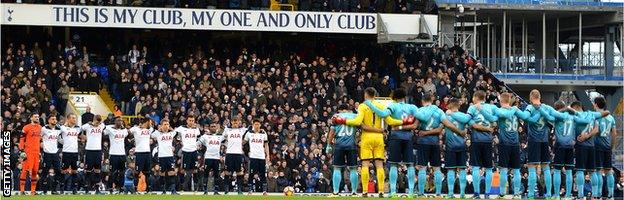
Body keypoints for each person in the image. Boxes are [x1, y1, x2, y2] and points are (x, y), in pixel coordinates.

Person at [333, 87, 409, 198]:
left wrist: (343, 120)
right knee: (379, 165)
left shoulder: (363, 106)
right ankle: (382, 191)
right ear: (375, 95)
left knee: (365, 164)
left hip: (366, 137)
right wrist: (403, 121)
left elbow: (357, 121)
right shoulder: (381, 106)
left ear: (365, 94)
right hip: (378, 138)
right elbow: (390, 121)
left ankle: (364, 191)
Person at [493, 93, 539, 199]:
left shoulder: (500, 111)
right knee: (516, 169)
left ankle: (502, 194)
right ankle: (517, 194)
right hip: (515, 144)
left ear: (501, 101)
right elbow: (525, 117)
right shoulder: (516, 111)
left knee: (504, 169)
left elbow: (493, 120)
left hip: (504, 143)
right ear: (509, 100)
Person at [467, 90, 499, 199]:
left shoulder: (472, 107)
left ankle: (476, 194)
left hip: (476, 140)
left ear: (476, 97)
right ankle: (487, 194)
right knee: (489, 168)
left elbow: (473, 125)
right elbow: (495, 121)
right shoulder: (492, 108)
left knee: (476, 167)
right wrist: (490, 128)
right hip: (488, 140)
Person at [524, 89, 555, 199]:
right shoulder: (546, 108)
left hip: (533, 141)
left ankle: (531, 194)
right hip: (544, 141)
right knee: (546, 167)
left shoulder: (529, 107)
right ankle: (549, 194)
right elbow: (553, 118)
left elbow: (526, 118)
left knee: (532, 167)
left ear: (531, 98)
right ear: (540, 97)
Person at [326, 104, 360, 197]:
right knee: (353, 169)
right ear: (348, 109)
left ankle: (336, 192)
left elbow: (331, 133)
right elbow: (359, 130)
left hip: (339, 145)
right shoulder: (354, 116)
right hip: (351, 145)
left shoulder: (336, 116)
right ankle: (354, 192)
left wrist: (328, 144)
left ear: (340, 110)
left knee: (337, 168)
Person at [443, 98, 471, 198]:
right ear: (458, 106)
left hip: (450, 146)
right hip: (461, 145)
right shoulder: (464, 116)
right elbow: (467, 124)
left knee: (451, 170)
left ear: (450, 105)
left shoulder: (446, 116)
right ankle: (462, 194)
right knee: (462, 169)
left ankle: (451, 194)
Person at [593, 97, 616, 199]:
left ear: (596, 105)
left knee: (597, 171)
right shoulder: (611, 118)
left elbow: (595, 131)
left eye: (594, 103)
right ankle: (611, 196)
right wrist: (611, 146)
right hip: (607, 147)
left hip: (597, 146)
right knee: (608, 171)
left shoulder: (596, 116)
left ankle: (598, 195)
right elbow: (614, 133)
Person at [80, 115, 106, 194]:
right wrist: (90, 124)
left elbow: (103, 124)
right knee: (88, 170)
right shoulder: (88, 126)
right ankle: (87, 189)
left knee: (97, 170)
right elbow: (81, 128)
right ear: (93, 119)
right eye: (96, 120)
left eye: (99, 120)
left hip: (98, 151)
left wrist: (97, 123)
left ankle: (97, 189)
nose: (98, 122)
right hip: (89, 150)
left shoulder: (101, 126)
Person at [174, 115, 200, 192]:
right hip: (185, 151)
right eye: (190, 120)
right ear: (187, 121)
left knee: (195, 170)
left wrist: (197, 145)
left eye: (192, 120)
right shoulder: (182, 128)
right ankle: (182, 187)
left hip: (194, 151)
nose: (191, 122)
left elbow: (199, 138)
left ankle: (196, 187)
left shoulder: (196, 129)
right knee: (183, 170)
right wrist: (180, 142)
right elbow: (174, 133)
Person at [244, 119, 270, 195]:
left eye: (258, 124)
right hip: (253, 157)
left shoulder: (263, 133)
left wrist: (267, 155)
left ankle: (264, 191)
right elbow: (243, 142)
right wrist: (245, 151)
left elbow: (266, 145)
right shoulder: (249, 133)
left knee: (263, 174)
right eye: (255, 124)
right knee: (251, 174)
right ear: (253, 125)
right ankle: (250, 191)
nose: (257, 126)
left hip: (261, 156)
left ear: (260, 125)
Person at [222, 116, 248, 194]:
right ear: (231, 122)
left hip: (238, 154)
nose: (235, 123)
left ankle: (239, 190)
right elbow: (222, 138)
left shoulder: (242, 130)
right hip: (229, 153)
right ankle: (226, 190)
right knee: (227, 172)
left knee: (239, 172)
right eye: (234, 122)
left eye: (237, 122)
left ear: (239, 122)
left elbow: (251, 130)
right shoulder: (227, 130)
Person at [151, 119, 177, 194]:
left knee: (172, 172)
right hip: (161, 156)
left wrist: (170, 128)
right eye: (164, 124)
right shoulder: (157, 133)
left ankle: (173, 190)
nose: (166, 126)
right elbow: (152, 135)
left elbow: (175, 131)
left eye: (167, 124)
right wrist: (159, 129)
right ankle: (163, 190)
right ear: (161, 125)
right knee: (162, 173)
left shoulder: (171, 133)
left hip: (170, 156)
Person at [103, 117, 128, 194]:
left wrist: (121, 126)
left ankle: (121, 188)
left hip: (122, 154)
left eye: (121, 121)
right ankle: (110, 188)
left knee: (122, 173)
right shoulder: (110, 129)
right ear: (115, 122)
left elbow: (127, 132)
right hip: (113, 154)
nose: (120, 122)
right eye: (118, 121)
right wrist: (112, 125)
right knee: (112, 173)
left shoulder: (124, 131)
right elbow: (104, 130)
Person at [19, 114, 42, 195]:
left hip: (36, 153)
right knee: (25, 171)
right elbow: (21, 139)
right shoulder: (26, 127)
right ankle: (22, 190)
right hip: (28, 152)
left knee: (35, 172)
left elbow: (40, 140)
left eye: (38, 117)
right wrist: (22, 150)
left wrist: (40, 151)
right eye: (35, 117)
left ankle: (33, 191)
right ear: (31, 118)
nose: (37, 118)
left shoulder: (40, 127)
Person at [197, 122, 224, 195]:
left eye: (214, 126)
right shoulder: (205, 136)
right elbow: (198, 142)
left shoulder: (220, 136)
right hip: (208, 157)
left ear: (217, 128)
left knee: (216, 175)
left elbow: (227, 137)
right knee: (206, 174)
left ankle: (216, 190)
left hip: (217, 158)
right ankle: (205, 191)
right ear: (209, 128)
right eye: (212, 126)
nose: (213, 127)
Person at [129, 118, 154, 193]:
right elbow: (129, 131)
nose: (151, 124)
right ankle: (135, 189)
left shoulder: (150, 129)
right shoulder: (136, 129)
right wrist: (138, 126)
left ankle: (148, 190)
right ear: (146, 122)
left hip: (147, 153)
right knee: (137, 172)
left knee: (147, 173)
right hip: (139, 153)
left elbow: (154, 128)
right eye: (150, 122)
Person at [60, 114, 82, 194]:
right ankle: (62, 188)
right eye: (73, 118)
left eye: (75, 118)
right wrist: (65, 124)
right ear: (68, 119)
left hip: (75, 153)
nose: (74, 119)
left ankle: (74, 189)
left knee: (74, 171)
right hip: (66, 152)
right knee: (63, 171)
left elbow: (83, 129)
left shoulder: (77, 129)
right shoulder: (63, 128)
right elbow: (58, 131)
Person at [40, 115, 62, 195]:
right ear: (48, 120)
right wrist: (40, 143)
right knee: (45, 172)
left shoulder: (58, 129)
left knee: (58, 171)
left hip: (55, 153)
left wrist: (66, 142)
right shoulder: (44, 128)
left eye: (55, 119)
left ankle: (54, 190)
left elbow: (59, 139)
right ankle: (44, 190)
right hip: (47, 153)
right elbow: (39, 137)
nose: (54, 120)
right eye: (52, 119)